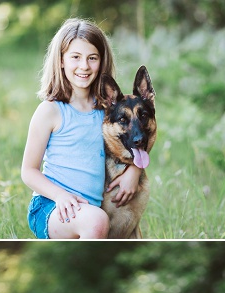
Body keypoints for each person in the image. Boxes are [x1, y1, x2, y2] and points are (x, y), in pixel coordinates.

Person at [21, 18, 142, 239]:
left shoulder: (108, 112)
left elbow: (137, 138)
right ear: (61, 61)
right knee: (97, 221)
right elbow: (28, 171)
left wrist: (134, 171)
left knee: (114, 225)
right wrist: (60, 196)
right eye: (75, 57)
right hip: (50, 206)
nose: (84, 66)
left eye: (92, 58)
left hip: (90, 208)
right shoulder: (50, 111)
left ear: (102, 62)